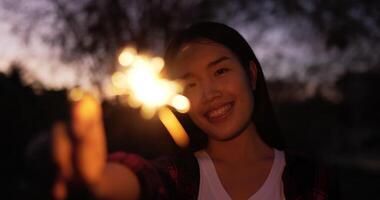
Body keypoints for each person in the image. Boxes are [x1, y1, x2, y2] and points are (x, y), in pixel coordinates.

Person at [52, 22, 339, 200]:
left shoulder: (311, 178)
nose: (209, 93)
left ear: (251, 75)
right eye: (189, 83)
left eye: (221, 71)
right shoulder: (177, 177)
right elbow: (139, 179)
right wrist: (94, 179)